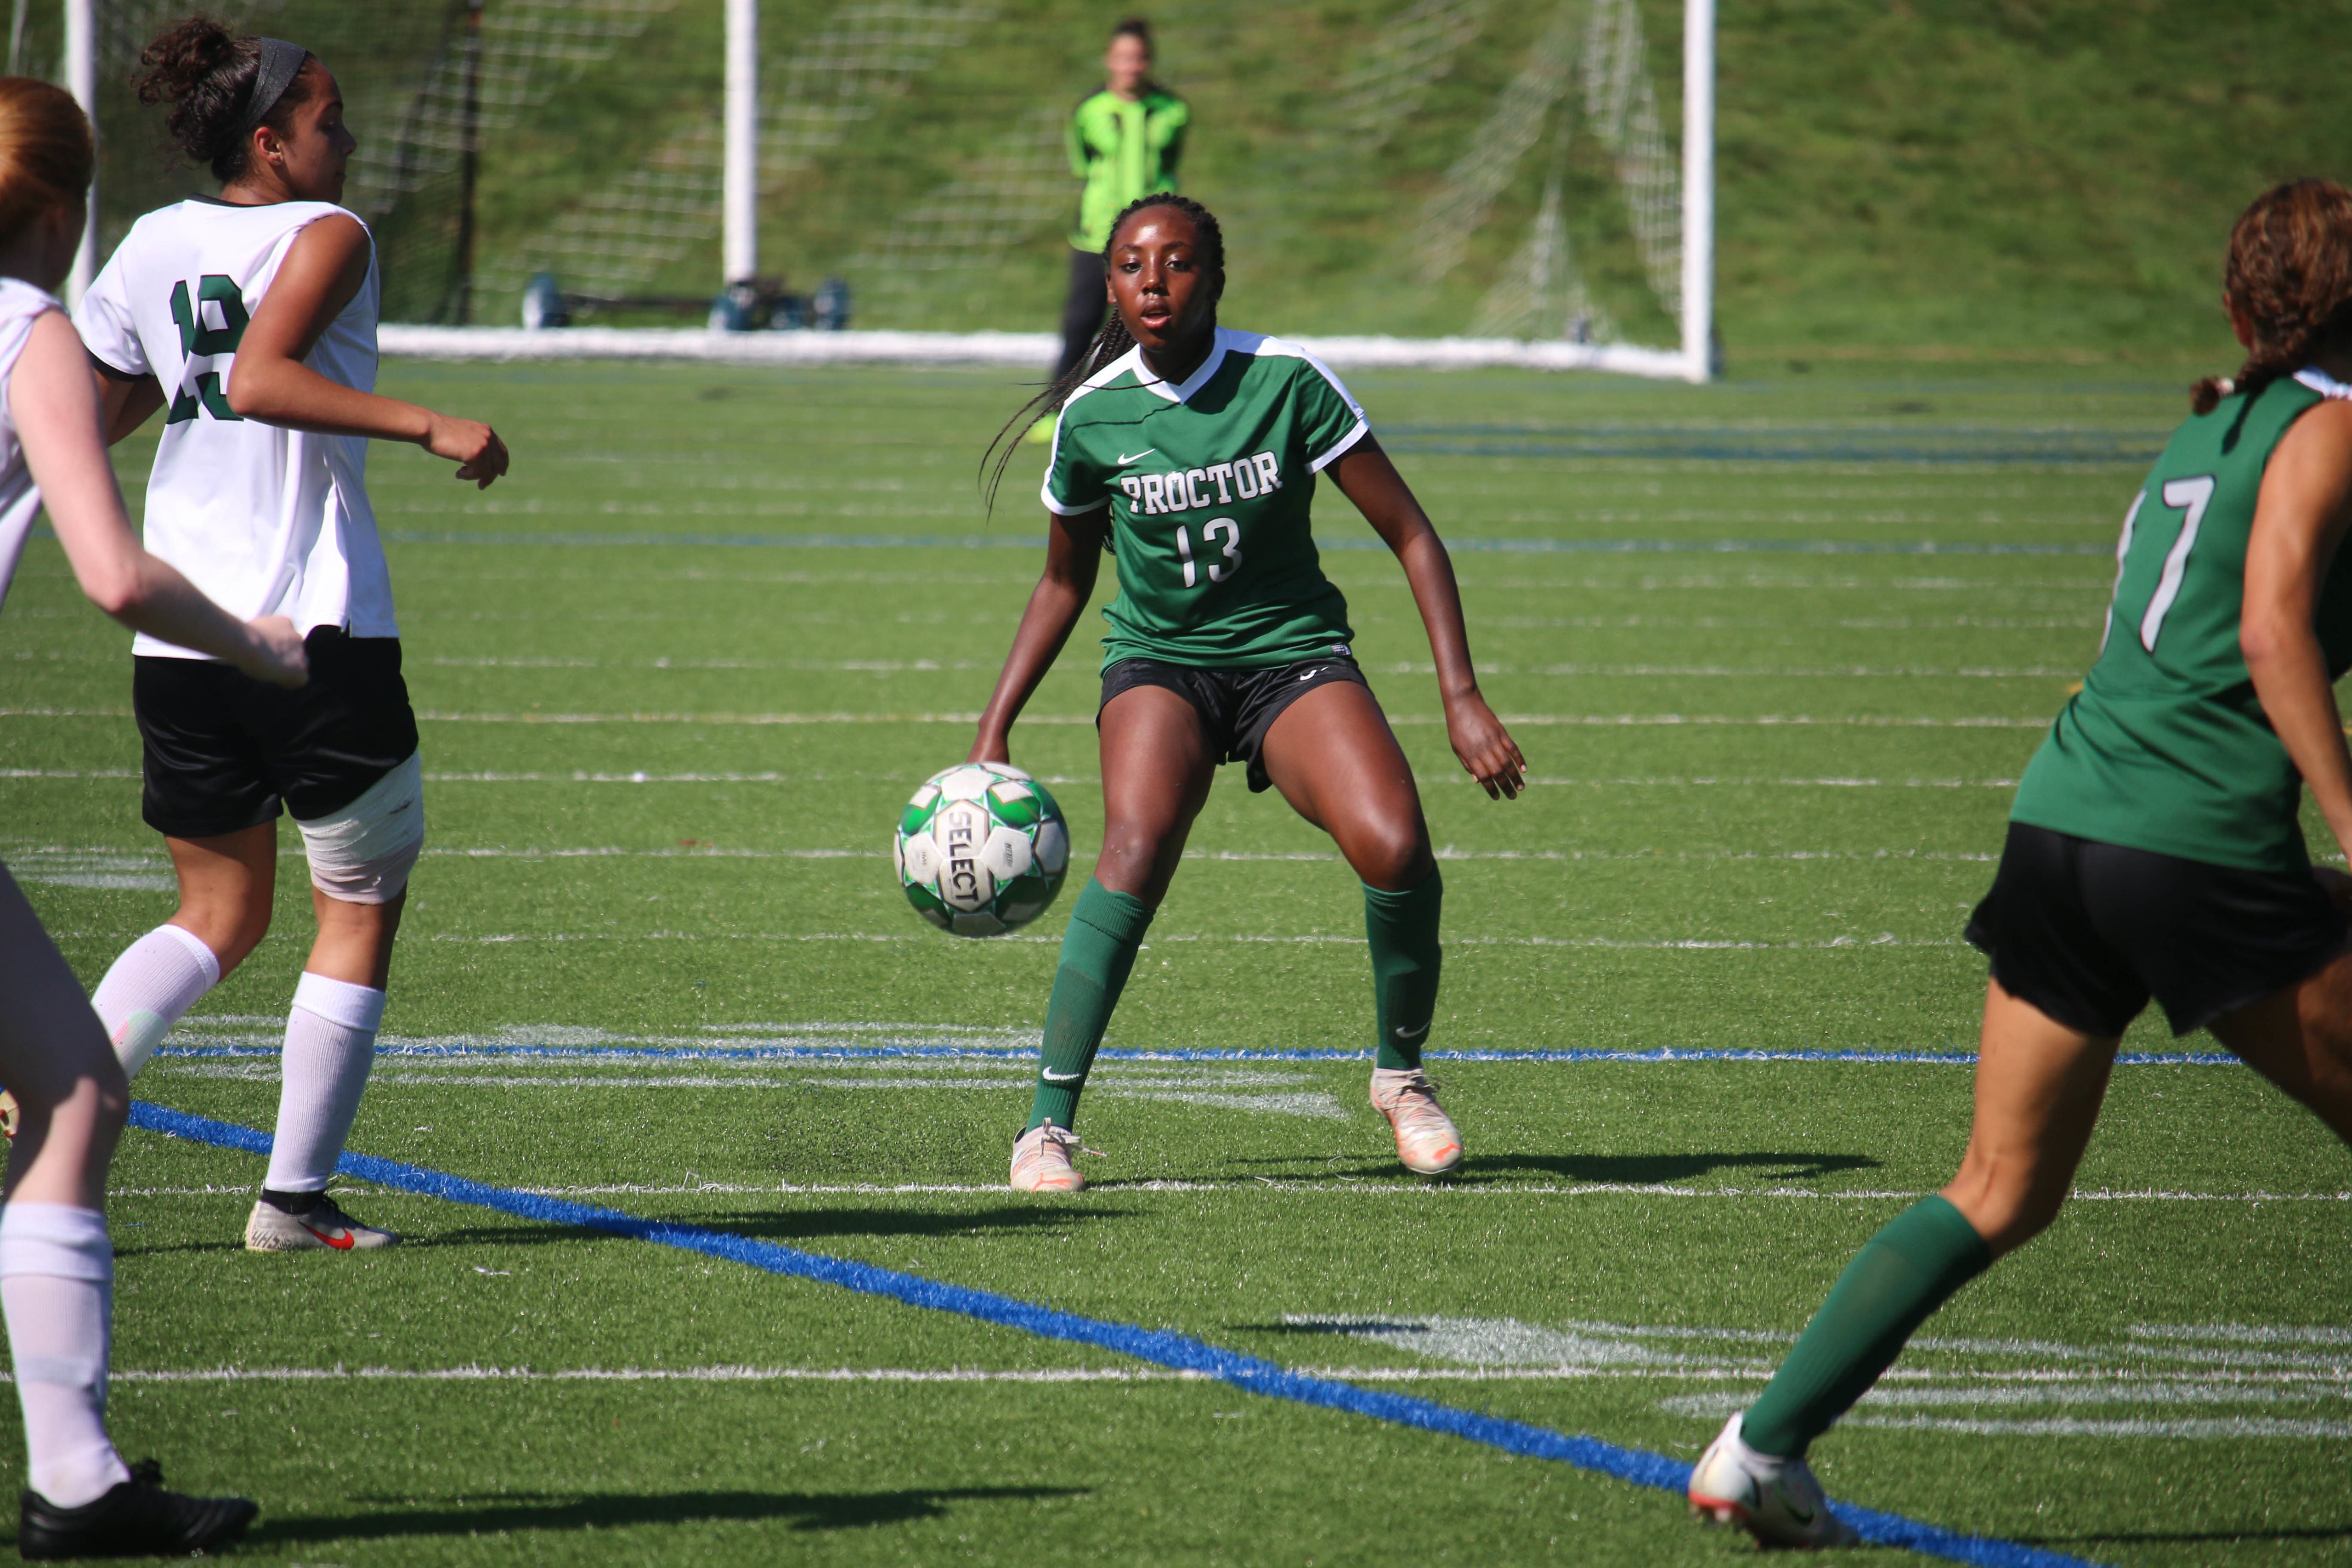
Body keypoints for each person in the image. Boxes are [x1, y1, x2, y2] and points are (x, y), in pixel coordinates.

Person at [1687, 178, 2352, 1548]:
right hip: (2190, 845)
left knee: (1995, 1190)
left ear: (2235, 305)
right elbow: (2273, 630)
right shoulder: (2330, 431)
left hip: (2062, 824)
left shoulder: (2203, 428)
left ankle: (1756, 1448)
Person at [977, 193, 1526, 1193]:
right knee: (1135, 848)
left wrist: (1462, 694)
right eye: (1134, 264)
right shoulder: (1093, 416)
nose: (1154, 280)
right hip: (1161, 664)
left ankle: (1401, 1079)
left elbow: (1411, 532)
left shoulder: (1285, 380)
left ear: (1214, 281)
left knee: (1396, 841)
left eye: (1178, 263)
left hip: (1293, 657)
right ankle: (1045, 1126)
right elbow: (1064, 581)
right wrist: (993, 725)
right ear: (1109, 284)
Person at [71, 18, 509, 1253]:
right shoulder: (331, 235)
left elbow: (97, 413)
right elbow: (259, 377)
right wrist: (430, 423)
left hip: (180, 633)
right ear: (269, 141)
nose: (349, 137)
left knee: (216, 912)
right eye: (328, 118)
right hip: (315, 631)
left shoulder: (153, 242)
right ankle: (294, 1199)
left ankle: (56, 1090)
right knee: (359, 902)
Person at [0, 75, 295, 1556]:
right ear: (57, 214)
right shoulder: (24, 327)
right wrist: (256, 641)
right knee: (69, 1101)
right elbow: (113, 573)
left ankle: (81, 1485)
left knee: (74, 1091)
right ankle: (76, 1484)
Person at [1028, 17, 1189, 441]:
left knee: (1146, 322)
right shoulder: (1090, 111)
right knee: (1081, 322)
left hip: (1150, 240)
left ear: (1148, 61)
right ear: (1109, 61)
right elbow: (1084, 163)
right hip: (1097, 235)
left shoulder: (1173, 110)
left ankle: (1142, 407)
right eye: (1123, 58)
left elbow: (1170, 163)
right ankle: (1056, 410)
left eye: (1138, 58)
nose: (1130, 66)